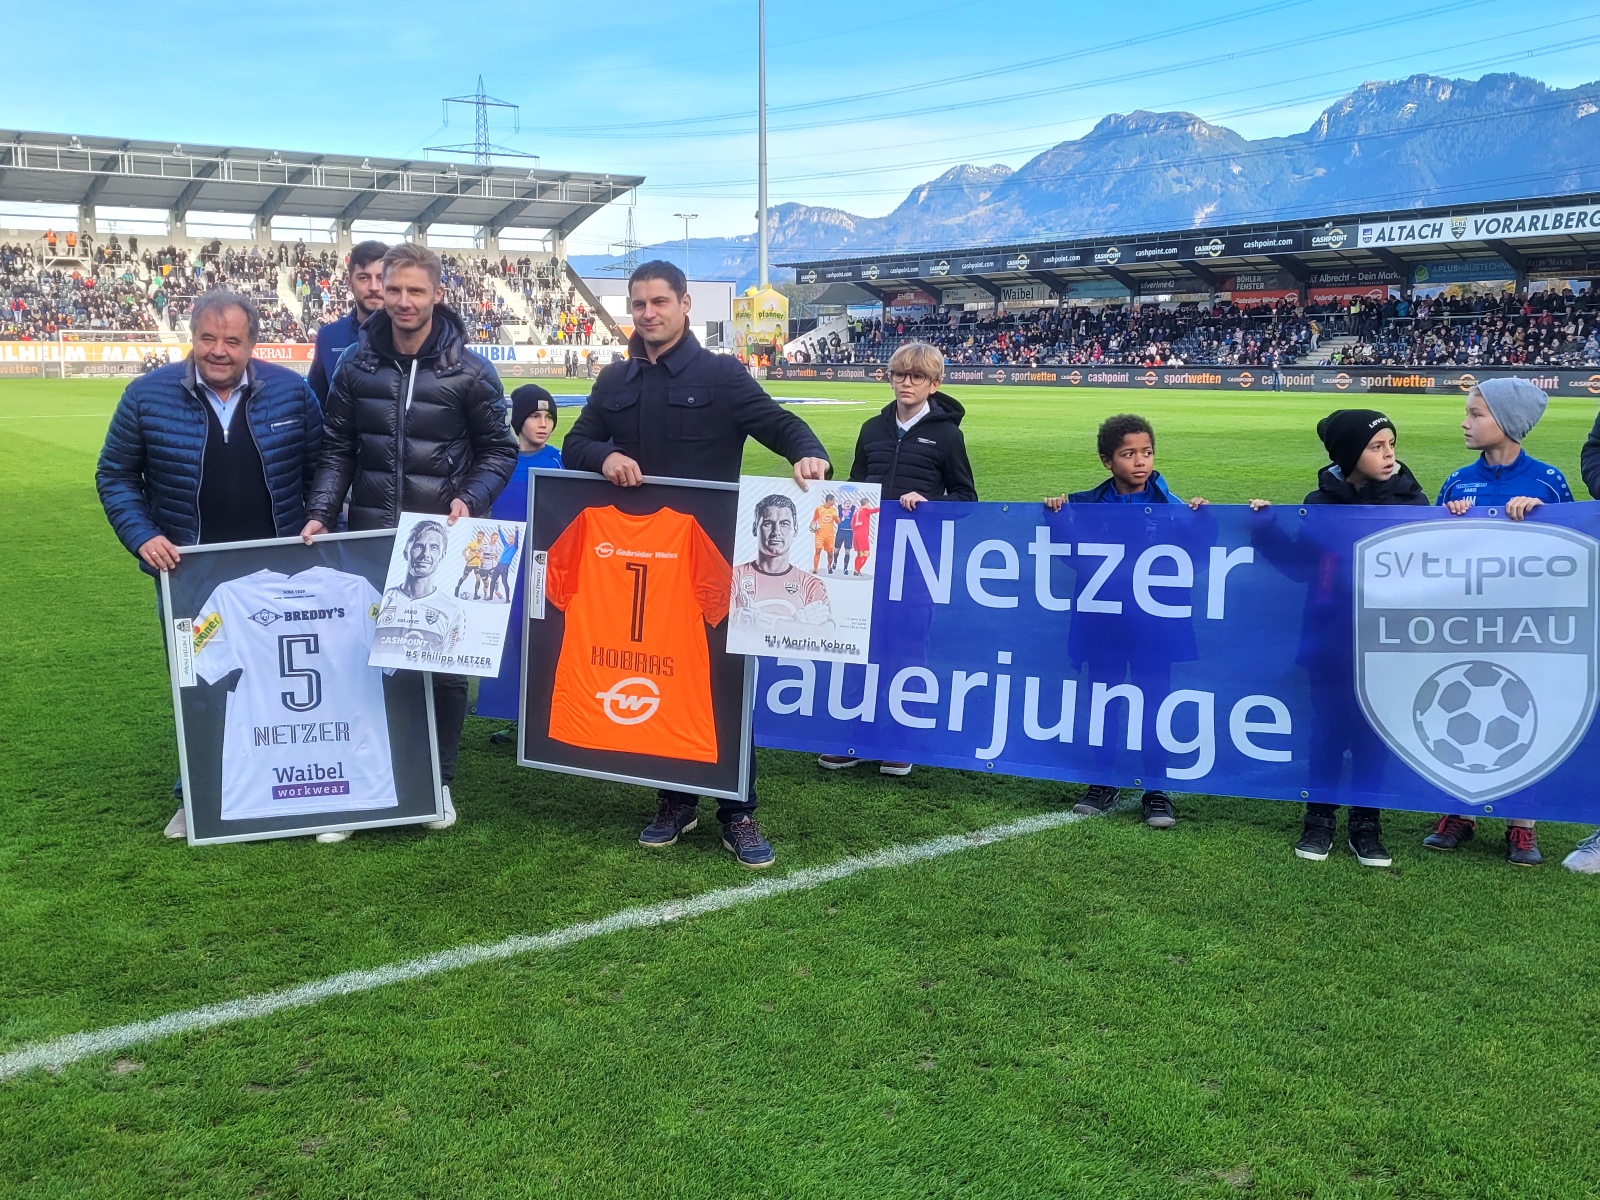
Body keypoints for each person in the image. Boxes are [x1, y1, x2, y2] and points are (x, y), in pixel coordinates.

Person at [562, 259, 830, 868]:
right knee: (662, 679)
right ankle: (675, 800)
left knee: (725, 681)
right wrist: (604, 457)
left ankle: (738, 811)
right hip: (643, 563)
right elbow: (576, 442)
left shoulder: (722, 374)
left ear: (685, 305)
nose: (648, 313)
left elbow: (779, 423)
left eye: (659, 302)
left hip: (713, 562)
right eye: (638, 304)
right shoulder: (614, 378)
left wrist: (809, 454)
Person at [301, 242, 518, 841]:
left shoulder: (470, 371)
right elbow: (338, 449)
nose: (401, 300)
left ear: (437, 295)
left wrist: (469, 498)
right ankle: (360, 785)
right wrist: (321, 512)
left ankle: (434, 784)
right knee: (367, 657)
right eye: (393, 288)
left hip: (444, 539)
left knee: (443, 666)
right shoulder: (354, 364)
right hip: (371, 533)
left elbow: (499, 451)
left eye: (415, 290)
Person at [95, 289, 323, 839]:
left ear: (252, 344)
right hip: (189, 573)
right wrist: (143, 535)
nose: (219, 350)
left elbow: (324, 467)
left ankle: (292, 787)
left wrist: (320, 517)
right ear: (191, 337)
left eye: (232, 341)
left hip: (278, 570)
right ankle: (196, 795)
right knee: (197, 682)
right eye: (208, 338)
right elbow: (116, 475)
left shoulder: (291, 392)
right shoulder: (146, 395)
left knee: (279, 678)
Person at [1249, 409, 1429, 867]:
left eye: (1391, 445)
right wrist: (1266, 530)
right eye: (1376, 447)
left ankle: (1366, 826)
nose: (1389, 455)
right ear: (1349, 454)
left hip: (1386, 643)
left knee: (1373, 736)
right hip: (1329, 641)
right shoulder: (1320, 502)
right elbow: (1299, 566)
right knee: (1327, 733)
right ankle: (1319, 820)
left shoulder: (1412, 502)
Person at [1426, 378, 1572, 866]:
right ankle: (1458, 813)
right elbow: (1428, 551)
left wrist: (1543, 517)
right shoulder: (1456, 481)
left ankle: (1521, 824)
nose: (1464, 423)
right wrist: (1449, 519)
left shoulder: (1547, 481)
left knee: (1522, 711)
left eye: (1476, 415)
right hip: (1464, 622)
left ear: (1509, 422)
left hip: (1525, 626)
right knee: (1458, 705)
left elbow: (1573, 549)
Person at [1041, 414, 1208, 829]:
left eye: (1147, 453)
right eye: (1128, 454)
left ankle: (1156, 789)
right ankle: (1103, 781)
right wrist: (1057, 520)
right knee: (1104, 701)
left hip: (1155, 626)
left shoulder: (1174, 508)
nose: (1140, 461)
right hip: (1104, 624)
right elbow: (1076, 558)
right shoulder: (1086, 505)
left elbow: (1198, 557)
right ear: (1107, 461)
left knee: (1155, 703)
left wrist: (1206, 522)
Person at [819, 341, 976, 778]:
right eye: (900, 375)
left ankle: (901, 740)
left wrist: (929, 503)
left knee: (907, 650)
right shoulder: (872, 428)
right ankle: (856, 737)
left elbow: (967, 498)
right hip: (866, 559)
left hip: (915, 562)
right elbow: (854, 487)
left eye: (917, 376)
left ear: (934, 384)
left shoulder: (947, 435)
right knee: (861, 646)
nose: (907, 383)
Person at [485, 385, 563, 746]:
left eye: (548, 417)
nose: (543, 424)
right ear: (517, 420)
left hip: (546, 570)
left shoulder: (559, 461)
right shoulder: (497, 462)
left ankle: (553, 720)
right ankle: (523, 719)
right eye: (534, 416)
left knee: (548, 643)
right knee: (517, 643)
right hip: (506, 571)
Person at [731, 493, 833, 637]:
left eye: (784, 524)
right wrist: (797, 624)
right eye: (768, 524)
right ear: (755, 528)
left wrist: (759, 621)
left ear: (795, 529)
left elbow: (825, 635)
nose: (776, 532)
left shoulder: (812, 585)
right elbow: (730, 631)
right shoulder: (734, 577)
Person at [306, 240, 387, 405]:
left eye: (381, 278)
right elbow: (317, 404)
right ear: (349, 283)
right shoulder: (329, 336)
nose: (374, 287)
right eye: (363, 278)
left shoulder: (408, 335)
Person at [811, 492, 840, 572]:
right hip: (820, 534)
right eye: (833, 500)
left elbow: (838, 522)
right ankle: (815, 569)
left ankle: (829, 566)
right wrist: (812, 527)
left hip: (829, 535)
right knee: (818, 551)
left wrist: (836, 517)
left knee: (830, 553)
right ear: (829, 500)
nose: (834, 502)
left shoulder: (833, 510)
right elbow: (814, 519)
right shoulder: (819, 509)